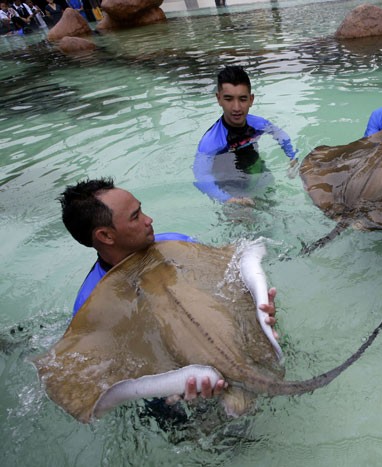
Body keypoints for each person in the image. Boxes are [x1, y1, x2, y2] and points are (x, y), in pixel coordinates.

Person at [59, 177, 279, 402]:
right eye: (136, 217)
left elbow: (229, 280)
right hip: (173, 393)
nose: (148, 220)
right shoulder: (90, 304)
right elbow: (95, 381)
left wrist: (258, 311)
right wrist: (171, 392)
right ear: (105, 235)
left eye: (141, 210)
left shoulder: (178, 242)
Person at [193, 65, 298, 206]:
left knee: (276, 210)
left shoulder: (259, 124)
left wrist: (292, 157)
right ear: (219, 99)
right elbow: (202, 177)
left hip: (258, 173)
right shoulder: (211, 142)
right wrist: (227, 199)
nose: (236, 107)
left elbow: (280, 134)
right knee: (245, 219)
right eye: (229, 99)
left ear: (251, 99)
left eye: (242, 99)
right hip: (229, 187)